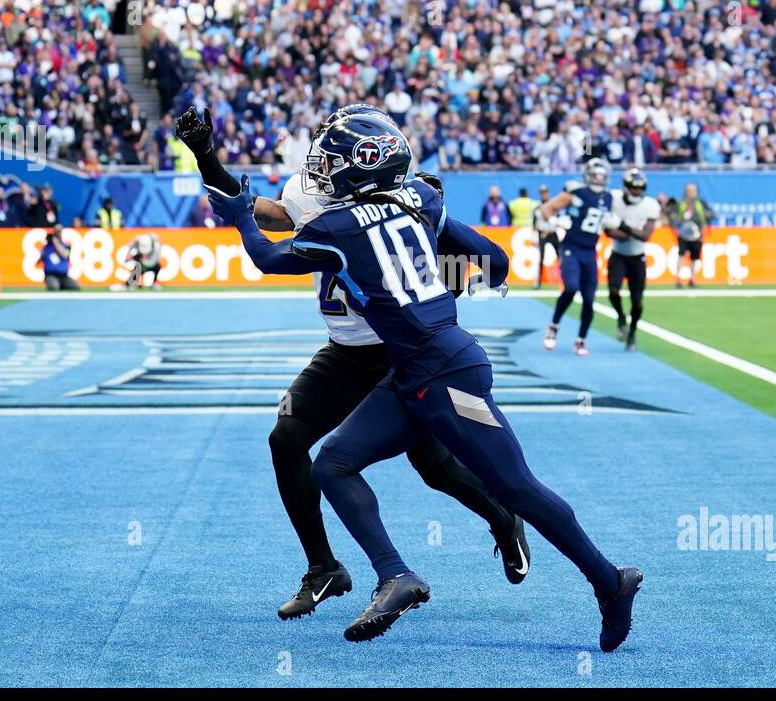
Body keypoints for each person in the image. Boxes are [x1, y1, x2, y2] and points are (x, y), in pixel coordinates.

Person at [205, 109, 642, 650]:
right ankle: (395, 576)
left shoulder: (337, 226)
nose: (320, 168)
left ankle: (609, 581)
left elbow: (268, 256)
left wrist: (241, 215)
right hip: (412, 367)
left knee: (515, 487)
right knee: (333, 463)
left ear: (361, 170)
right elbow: (494, 261)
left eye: (332, 161)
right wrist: (447, 281)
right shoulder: (422, 200)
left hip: (444, 369)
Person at [175, 104, 531, 620]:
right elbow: (256, 210)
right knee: (286, 439)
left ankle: (502, 518)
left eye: (328, 146)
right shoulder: (313, 190)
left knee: (434, 465)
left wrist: (447, 290)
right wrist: (206, 156)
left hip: (399, 350)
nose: (317, 158)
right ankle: (324, 568)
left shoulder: (402, 197)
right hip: (344, 350)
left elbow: (470, 265)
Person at [539, 158, 614, 355]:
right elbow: (546, 208)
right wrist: (556, 221)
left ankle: (581, 340)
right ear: (588, 175)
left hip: (590, 250)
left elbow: (605, 222)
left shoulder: (608, 197)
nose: (598, 180)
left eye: (602, 177)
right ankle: (553, 325)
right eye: (595, 176)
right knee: (571, 287)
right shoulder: (576, 193)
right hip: (572, 247)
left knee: (589, 299)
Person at [605, 168, 660, 351]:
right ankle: (621, 317)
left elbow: (645, 235)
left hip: (637, 257)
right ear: (626, 187)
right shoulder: (614, 199)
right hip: (618, 254)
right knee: (613, 291)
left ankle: (632, 333)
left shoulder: (650, 205)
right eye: (633, 188)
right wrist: (625, 232)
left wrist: (622, 227)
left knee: (637, 301)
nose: (637, 191)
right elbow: (607, 229)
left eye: (640, 188)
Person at [673, 182, 715, 289]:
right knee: (681, 255)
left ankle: (692, 278)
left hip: (697, 234)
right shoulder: (681, 203)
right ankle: (678, 278)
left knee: (694, 258)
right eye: (688, 190)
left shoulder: (701, 204)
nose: (690, 193)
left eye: (692, 190)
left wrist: (708, 216)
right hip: (683, 234)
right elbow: (674, 216)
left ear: (696, 192)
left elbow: (711, 214)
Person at [532, 183, 559, 289]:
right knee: (541, 257)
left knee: (560, 255)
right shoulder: (537, 207)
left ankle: (565, 279)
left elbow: (558, 218)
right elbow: (534, 223)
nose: (544, 195)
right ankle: (538, 282)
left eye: (545, 193)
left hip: (552, 232)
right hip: (542, 233)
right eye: (542, 193)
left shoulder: (554, 205)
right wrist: (534, 235)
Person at [39, 226, 80, 291]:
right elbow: (39, 261)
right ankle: (57, 285)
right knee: (53, 287)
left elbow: (64, 255)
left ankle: (62, 285)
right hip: (51, 275)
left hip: (64, 276)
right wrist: (41, 253)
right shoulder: (47, 247)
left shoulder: (66, 246)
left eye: (59, 232)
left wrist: (56, 243)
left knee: (75, 287)